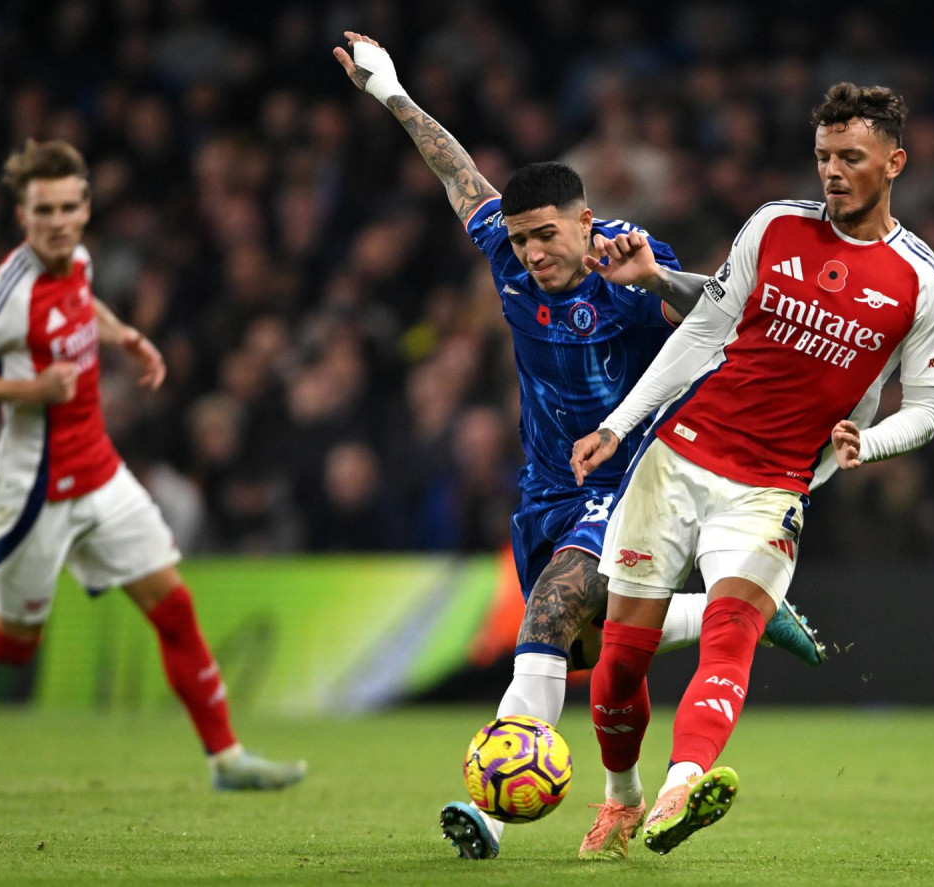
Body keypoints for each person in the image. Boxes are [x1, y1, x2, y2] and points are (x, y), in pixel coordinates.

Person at [332, 32, 825, 859]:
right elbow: (458, 175)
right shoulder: (511, 259)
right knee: (582, 645)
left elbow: (725, 313)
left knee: (552, 604)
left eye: (547, 236)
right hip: (548, 484)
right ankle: (727, 611)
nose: (533, 252)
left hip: (632, 473)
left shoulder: (627, 260)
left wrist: (657, 282)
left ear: (584, 220)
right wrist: (390, 90)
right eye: (521, 238)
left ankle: (489, 811)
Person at [569, 82, 934, 856]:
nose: (834, 172)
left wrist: (868, 441)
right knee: (616, 664)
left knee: (731, 631)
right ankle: (621, 797)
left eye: (852, 157)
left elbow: (927, 408)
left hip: (772, 486)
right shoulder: (774, 226)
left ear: (895, 162)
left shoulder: (924, 280)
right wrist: (619, 425)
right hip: (677, 459)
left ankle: (681, 788)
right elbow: (703, 332)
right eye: (823, 156)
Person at [0, 139, 306, 791]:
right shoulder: (5, 294)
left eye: (68, 206)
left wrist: (124, 335)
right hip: (35, 488)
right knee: (14, 644)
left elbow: (84, 307)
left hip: (100, 472)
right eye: (43, 210)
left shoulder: (79, 263)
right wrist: (29, 391)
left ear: (85, 209)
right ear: (22, 216)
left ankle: (226, 757)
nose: (57, 221)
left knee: (173, 605)